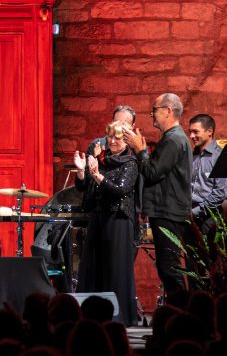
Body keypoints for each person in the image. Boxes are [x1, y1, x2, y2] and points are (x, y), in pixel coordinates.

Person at [123, 93, 192, 294]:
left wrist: (140, 150)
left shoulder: (173, 140)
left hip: (168, 212)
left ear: (168, 111)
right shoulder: (173, 138)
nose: (151, 114)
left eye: (154, 110)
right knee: (167, 267)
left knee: (169, 268)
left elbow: (152, 173)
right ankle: (178, 308)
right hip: (167, 210)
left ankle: (180, 309)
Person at [73, 120, 139, 326]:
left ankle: (119, 316)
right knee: (93, 265)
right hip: (98, 217)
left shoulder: (130, 163)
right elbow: (84, 187)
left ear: (126, 140)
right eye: (109, 137)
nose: (111, 141)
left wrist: (98, 176)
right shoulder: (102, 159)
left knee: (115, 268)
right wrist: (82, 172)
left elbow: (120, 190)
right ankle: (91, 315)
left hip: (118, 219)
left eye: (116, 138)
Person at [188, 114, 227, 236]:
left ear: (209, 131)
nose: (191, 136)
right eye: (190, 132)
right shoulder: (192, 155)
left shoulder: (220, 156)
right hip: (189, 217)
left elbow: (220, 193)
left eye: (195, 132)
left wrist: (195, 212)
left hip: (210, 220)